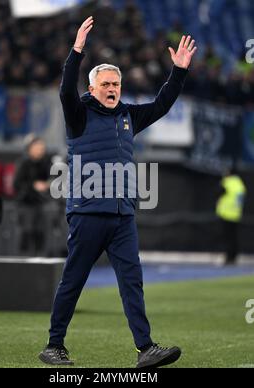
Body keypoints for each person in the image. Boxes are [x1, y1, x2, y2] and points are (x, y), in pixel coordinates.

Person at [39, 16, 197, 368]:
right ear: (93, 88)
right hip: (87, 213)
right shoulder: (78, 114)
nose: (113, 88)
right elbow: (66, 88)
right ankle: (54, 345)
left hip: (123, 216)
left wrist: (179, 72)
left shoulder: (128, 115)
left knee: (132, 283)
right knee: (74, 280)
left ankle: (146, 349)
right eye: (106, 83)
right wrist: (77, 50)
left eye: (117, 83)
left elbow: (161, 105)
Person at [13, 135, 55, 256]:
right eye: (36, 147)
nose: (40, 149)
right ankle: (24, 261)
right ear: (29, 148)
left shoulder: (48, 163)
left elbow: (55, 180)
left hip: (43, 204)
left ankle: (41, 259)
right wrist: (33, 186)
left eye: (42, 147)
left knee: (41, 233)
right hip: (25, 204)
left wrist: (47, 185)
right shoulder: (23, 163)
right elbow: (16, 184)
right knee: (26, 233)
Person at [216, 168, 246, 265]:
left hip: (226, 213)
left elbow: (218, 192)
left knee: (227, 238)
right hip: (236, 213)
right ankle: (233, 257)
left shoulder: (227, 182)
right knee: (234, 237)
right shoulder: (240, 184)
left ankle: (228, 257)